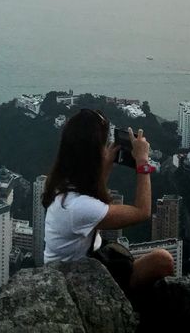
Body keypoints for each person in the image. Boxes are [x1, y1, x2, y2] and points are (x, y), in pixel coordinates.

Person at [42, 108, 174, 292]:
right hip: (77, 280)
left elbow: (92, 196)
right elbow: (142, 212)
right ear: (94, 153)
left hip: (83, 262)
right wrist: (143, 162)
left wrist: (105, 166)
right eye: (104, 145)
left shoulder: (61, 182)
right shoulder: (78, 207)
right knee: (163, 260)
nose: (107, 148)